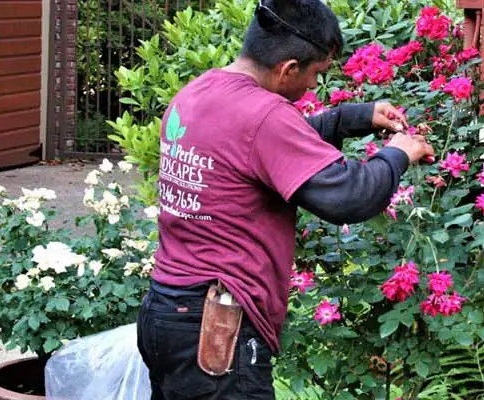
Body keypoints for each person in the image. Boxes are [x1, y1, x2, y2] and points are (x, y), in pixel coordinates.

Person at [135, 0, 435, 398]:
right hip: (216, 329)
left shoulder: (202, 91)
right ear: (289, 68)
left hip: (166, 314)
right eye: (315, 74)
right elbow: (348, 196)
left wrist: (352, 118)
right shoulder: (263, 115)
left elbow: (255, 149)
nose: (313, 86)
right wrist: (399, 152)